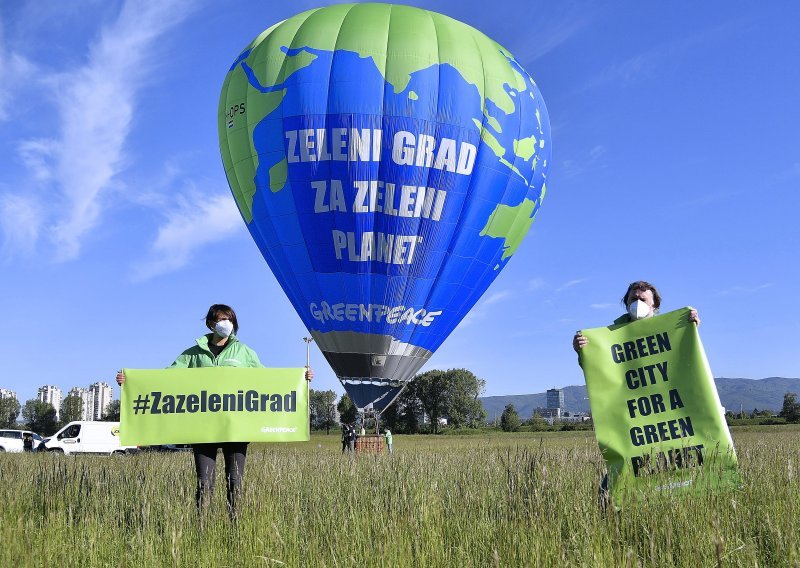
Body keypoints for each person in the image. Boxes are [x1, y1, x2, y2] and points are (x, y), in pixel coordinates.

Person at [116, 303, 313, 520]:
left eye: (229, 319)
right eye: (220, 319)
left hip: (237, 428)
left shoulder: (245, 352)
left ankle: (234, 528)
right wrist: (131, 382)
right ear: (211, 323)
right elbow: (166, 379)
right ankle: (202, 530)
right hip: (203, 429)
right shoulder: (192, 354)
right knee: (204, 482)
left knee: (235, 481)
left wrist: (300, 379)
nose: (225, 324)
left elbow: (267, 381)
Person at [571, 281, 700, 508]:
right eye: (633, 299)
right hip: (632, 423)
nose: (637, 303)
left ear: (655, 304)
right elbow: (601, 373)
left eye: (643, 299)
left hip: (668, 416)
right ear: (626, 303)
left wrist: (691, 330)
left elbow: (687, 362)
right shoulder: (611, 336)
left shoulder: (672, 328)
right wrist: (584, 353)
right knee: (610, 492)